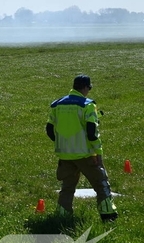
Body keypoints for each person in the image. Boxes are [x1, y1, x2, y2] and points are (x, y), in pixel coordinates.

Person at [47, 75, 117, 222]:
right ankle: (108, 214)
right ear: (85, 87)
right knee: (101, 184)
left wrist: (60, 142)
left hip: (64, 155)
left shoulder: (56, 104)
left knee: (67, 187)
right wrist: (98, 152)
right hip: (86, 154)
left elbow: (49, 129)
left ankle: (62, 215)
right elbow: (92, 133)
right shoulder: (88, 105)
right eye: (89, 88)